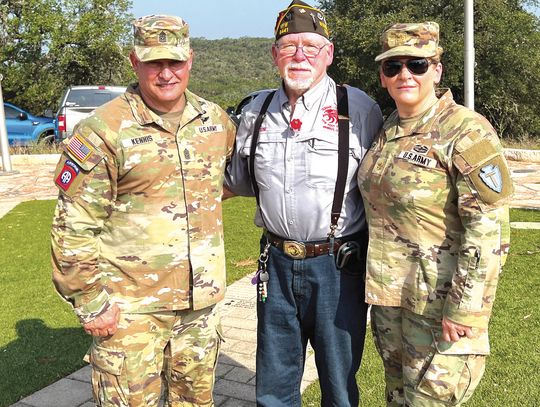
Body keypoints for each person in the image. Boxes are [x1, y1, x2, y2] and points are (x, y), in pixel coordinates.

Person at [51, 15, 236, 406]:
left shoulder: (215, 121)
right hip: (130, 311)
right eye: (155, 63)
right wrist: (91, 303)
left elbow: (216, 185)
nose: (166, 73)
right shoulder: (103, 130)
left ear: (191, 59)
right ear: (135, 62)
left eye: (175, 61)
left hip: (198, 310)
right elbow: (73, 227)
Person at [225, 1, 383, 405]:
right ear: (274, 54)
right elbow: (234, 182)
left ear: (328, 54)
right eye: (289, 45)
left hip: (337, 267)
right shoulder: (254, 112)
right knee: (274, 386)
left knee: (339, 385)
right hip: (275, 263)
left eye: (311, 46)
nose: (299, 55)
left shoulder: (359, 108)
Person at [358, 22, 513, 406]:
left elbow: (489, 229)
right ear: (383, 76)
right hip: (393, 302)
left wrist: (465, 310)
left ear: (438, 69)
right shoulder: (389, 128)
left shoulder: (465, 130)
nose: (404, 74)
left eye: (417, 64)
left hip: (441, 306)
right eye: (393, 67)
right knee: (398, 399)